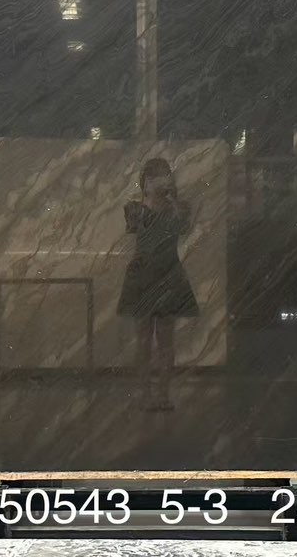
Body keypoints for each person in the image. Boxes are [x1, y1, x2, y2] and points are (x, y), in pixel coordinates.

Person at [117, 158, 199, 411]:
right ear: (145, 181)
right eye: (154, 177)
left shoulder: (179, 208)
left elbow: (184, 226)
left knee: (165, 340)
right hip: (144, 276)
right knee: (143, 339)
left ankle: (163, 394)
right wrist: (151, 196)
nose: (160, 181)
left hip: (167, 274)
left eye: (164, 176)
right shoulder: (135, 209)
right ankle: (145, 394)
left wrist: (170, 198)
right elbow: (137, 229)